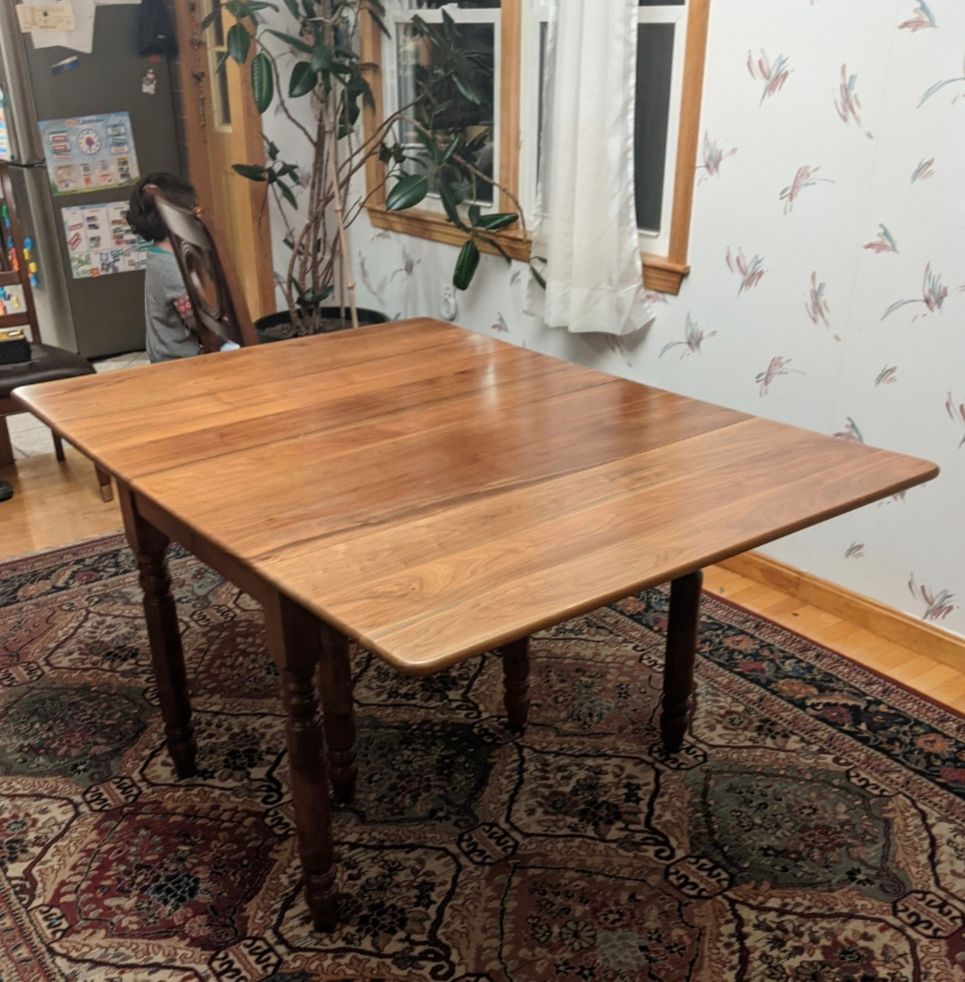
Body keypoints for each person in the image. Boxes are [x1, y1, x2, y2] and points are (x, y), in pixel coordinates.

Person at [126, 172, 238, 363]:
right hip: (177, 358)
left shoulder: (159, 253)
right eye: (191, 209)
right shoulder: (170, 267)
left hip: (165, 351)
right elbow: (195, 321)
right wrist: (226, 329)